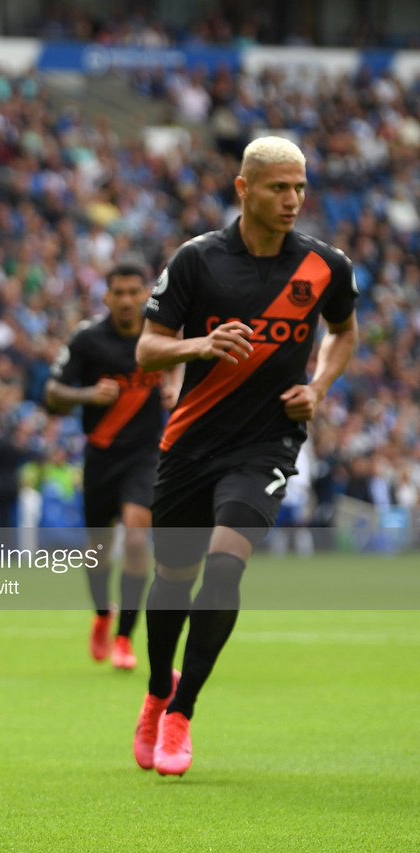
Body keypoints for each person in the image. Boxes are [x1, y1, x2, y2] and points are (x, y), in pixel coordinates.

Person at [132, 137, 357, 776]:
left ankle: (182, 714)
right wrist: (199, 345)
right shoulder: (197, 261)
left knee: (226, 566)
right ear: (244, 188)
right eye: (278, 188)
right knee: (173, 578)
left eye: (300, 189)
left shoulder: (324, 267)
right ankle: (156, 691)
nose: (291, 201)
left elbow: (344, 333)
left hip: (266, 445)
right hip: (191, 442)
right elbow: (148, 350)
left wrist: (316, 386)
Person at [45, 260, 177, 670]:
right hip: (101, 456)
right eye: (117, 292)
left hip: (145, 455)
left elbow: (185, 356)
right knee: (97, 554)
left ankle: (125, 638)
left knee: (137, 539)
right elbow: (51, 393)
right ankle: (104, 614)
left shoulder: (160, 335)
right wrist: (87, 396)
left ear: (146, 294)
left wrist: (176, 382)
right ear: (106, 296)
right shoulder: (88, 339)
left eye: (133, 292)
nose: (125, 300)